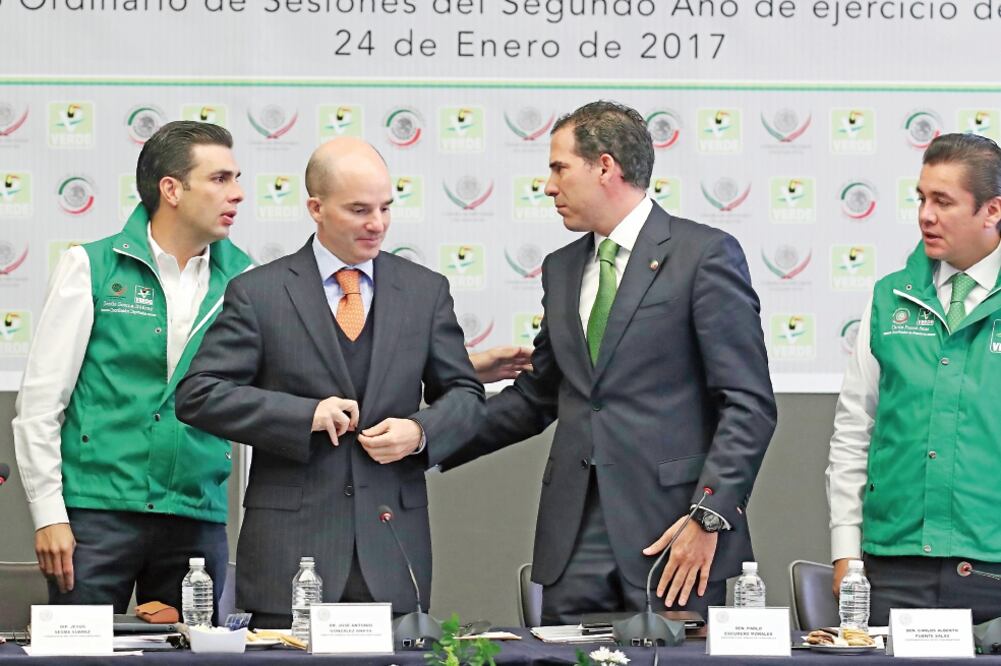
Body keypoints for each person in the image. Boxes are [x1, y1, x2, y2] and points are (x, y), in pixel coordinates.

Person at [444, 101, 776, 624]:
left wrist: (709, 516)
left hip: (673, 537)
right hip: (572, 542)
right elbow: (539, 395)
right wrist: (428, 436)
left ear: (604, 166)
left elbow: (748, 404)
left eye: (558, 168)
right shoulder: (561, 268)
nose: (548, 186)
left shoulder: (704, 255)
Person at [176, 136, 484, 627]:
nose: (377, 224)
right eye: (359, 209)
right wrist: (305, 415)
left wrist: (420, 432)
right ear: (315, 208)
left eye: (386, 207)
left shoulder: (425, 292)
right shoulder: (259, 293)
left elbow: (467, 397)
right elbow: (199, 394)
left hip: (392, 552)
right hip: (288, 556)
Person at [12, 121, 251, 613]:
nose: (239, 194)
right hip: (96, 517)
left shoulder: (246, 282)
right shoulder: (91, 266)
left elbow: (247, 410)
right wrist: (48, 514)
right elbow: (40, 405)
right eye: (220, 179)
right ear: (172, 189)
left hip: (196, 518)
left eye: (237, 178)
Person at [828, 132, 1001, 624]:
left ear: (992, 211)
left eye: (943, 201)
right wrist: (846, 551)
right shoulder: (889, 298)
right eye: (922, 198)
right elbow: (853, 431)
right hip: (892, 569)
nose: (925, 214)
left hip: (993, 568)